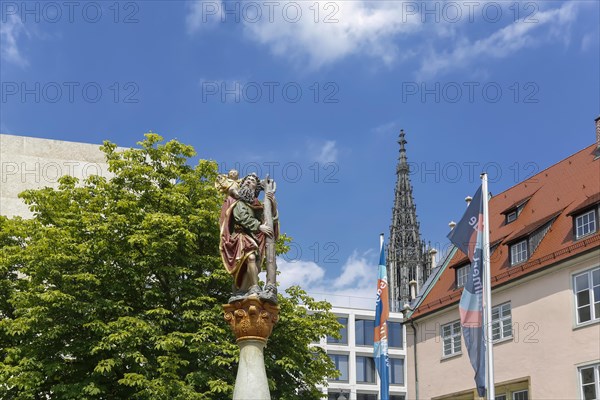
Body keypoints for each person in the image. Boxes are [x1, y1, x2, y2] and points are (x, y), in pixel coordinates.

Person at [219, 173, 278, 302]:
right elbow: (241, 217)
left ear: (255, 188)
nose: (248, 182)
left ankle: (243, 289)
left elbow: (268, 219)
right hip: (240, 237)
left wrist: (272, 204)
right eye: (247, 180)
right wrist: (259, 226)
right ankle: (255, 287)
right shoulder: (237, 201)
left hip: (253, 236)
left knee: (255, 263)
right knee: (250, 257)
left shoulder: (256, 204)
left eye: (252, 181)